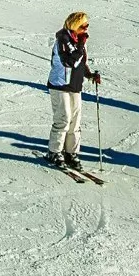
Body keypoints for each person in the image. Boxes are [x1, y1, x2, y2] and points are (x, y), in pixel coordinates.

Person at [45, 12, 99, 170]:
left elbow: (81, 62)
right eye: (83, 26)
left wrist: (90, 75)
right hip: (60, 85)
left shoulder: (79, 40)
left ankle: (71, 153)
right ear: (75, 25)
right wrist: (81, 46)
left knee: (75, 121)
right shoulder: (63, 39)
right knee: (64, 118)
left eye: (87, 25)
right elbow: (70, 62)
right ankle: (54, 151)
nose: (86, 28)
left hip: (75, 85)